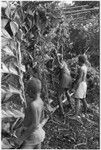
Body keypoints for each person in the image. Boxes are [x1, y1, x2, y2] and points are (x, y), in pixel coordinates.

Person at [17, 77, 45, 149]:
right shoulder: (40, 101)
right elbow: (41, 117)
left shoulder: (33, 104)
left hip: (33, 134)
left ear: (30, 91)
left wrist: (21, 138)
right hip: (38, 132)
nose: (26, 93)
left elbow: (34, 125)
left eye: (27, 91)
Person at [71, 54, 88, 119]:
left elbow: (79, 80)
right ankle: (85, 113)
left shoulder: (81, 69)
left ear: (80, 61)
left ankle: (75, 115)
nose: (77, 62)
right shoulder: (85, 67)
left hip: (80, 84)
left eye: (78, 61)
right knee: (83, 98)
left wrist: (74, 88)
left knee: (77, 99)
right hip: (84, 84)